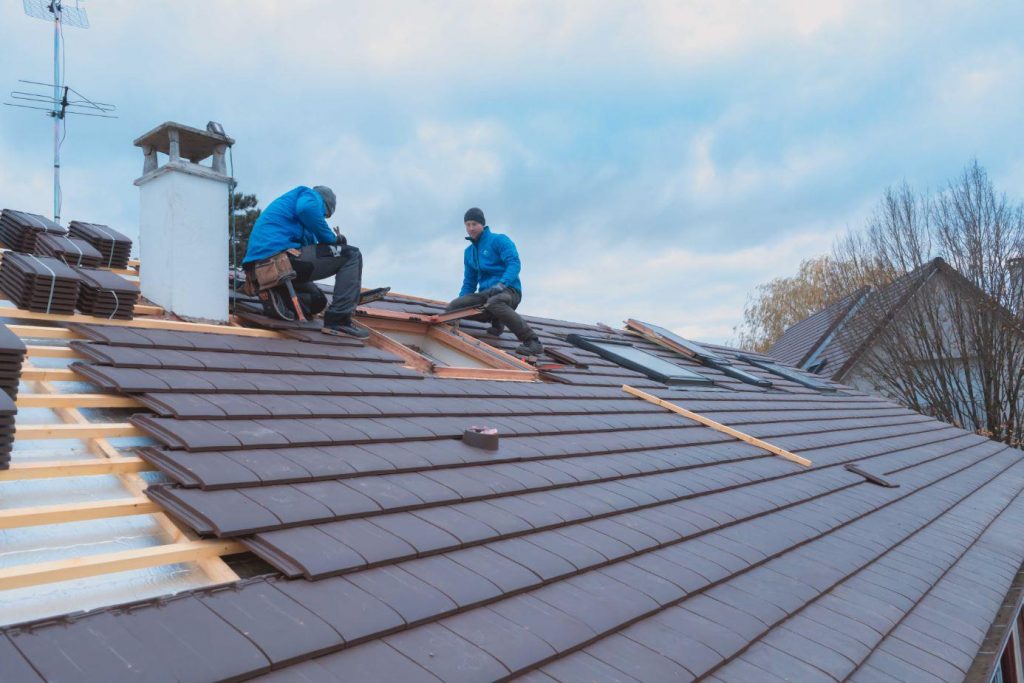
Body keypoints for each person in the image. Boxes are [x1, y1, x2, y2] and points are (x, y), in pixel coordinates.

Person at [242, 185, 367, 338]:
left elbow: (314, 251)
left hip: (262, 270)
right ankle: (339, 321)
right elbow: (307, 209)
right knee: (352, 254)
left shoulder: (300, 223)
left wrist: (332, 248)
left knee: (318, 301)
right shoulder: (308, 194)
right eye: (324, 214)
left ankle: (278, 295)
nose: (322, 218)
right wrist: (334, 240)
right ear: (324, 204)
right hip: (278, 260)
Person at [445, 207, 543, 356]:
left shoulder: (499, 240)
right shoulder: (469, 253)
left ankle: (532, 341)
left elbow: (514, 263)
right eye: (468, 225)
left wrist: (502, 283)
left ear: (482, 225)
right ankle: (497, 320)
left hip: (509, 290)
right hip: (486, 293)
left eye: (474, 224)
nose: (471, 228)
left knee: (495, 302)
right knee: (454, 306)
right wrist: (460, 305)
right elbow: (469, 281)